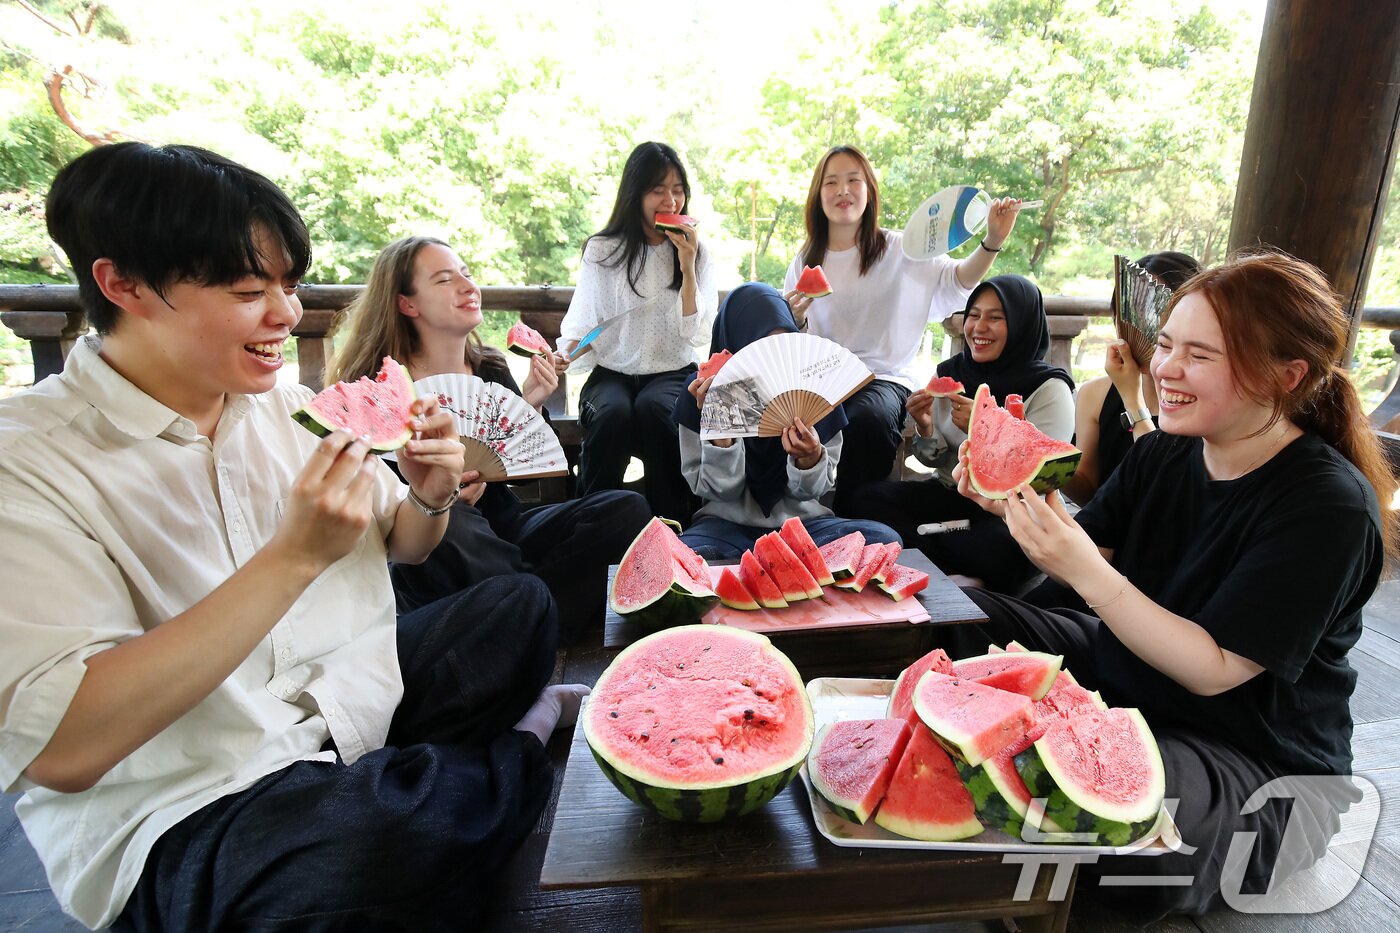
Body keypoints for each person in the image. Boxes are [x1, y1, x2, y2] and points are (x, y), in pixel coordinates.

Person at [0, 142, 585, 931]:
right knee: (373, 848)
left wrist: (430, 490)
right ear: (123, 284)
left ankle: (437, 789)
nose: (284, 314)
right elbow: (64, 747)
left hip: (351, 705)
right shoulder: (27, 462)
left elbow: (409, 544)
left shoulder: (286, 408)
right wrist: (294, 557)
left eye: (288, 285)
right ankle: (508, 755)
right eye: (249, 291)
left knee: (520, 607)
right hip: (197, 804)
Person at [946, 251, 1394, 919]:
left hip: (1258, 759)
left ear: (1286, 375)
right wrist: (1013, 498)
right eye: (1166, 345)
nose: (1166, 369)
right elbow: (1086, 547)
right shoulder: (1163, 450)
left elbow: (1213, 668)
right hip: (1130, 674)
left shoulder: (1328, 506)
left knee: (1127, 845)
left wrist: (1085, 570)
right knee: (950, 618)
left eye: (1200, 355)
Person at [330, 235, 652, 642]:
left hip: (507, 529)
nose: (468, 286)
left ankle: (519, 618)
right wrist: (434, 498)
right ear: (407, 304)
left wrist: (531, 403)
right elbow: (377, 502)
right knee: (455, 525)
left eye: (466, 274)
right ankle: (535, 614)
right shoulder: (380, 388)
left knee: (626, 508)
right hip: (439, 545)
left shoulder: (491, 369)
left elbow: (527, 467)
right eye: (445, 279)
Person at [782, 144, 1025, 514]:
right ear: (818, 195)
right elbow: (793, 333)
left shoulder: (902, 249)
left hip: (883, 378)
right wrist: (797, 319)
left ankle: (853, 521)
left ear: (870, 190)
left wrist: (992, 240)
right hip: (823, 379)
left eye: (853, 180)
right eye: (831, 182)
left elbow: (958, 280)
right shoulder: (804, 260)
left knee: (867, 421)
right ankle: (792, 518)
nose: (843, 190)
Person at [850, 275, 1074, 593]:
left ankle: (930, 557)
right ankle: (953, 568)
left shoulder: (1050, 388)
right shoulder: (950, 373)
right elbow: (935, 462)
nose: (979, 327)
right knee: (866, 500)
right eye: (974, 315)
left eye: (995, 318)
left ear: (1022, 324)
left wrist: (988, 428)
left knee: (998, 550)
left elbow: (1040, 477)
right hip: (949, 493)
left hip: (1010, 511)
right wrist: (925, 426)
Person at [673, 283, 900, 560]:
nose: (772, 359)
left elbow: (814, 492)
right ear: (735, 341)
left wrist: (810, 459)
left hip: (806, 527)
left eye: (782, 347)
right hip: (725, 527)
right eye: (760, 349)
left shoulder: (818, 387)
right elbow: (720, 492)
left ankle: (777, 562)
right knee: (682, 557)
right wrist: (721, 433)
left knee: (884, 539)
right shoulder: (699, 392)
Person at [558, 141, 717, 525]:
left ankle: (674, 528)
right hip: (612, 373)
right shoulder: (602, 251)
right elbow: (586, 321)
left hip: (673, 372)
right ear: (635, 193)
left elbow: (694, 333)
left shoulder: (698, 251)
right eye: (658, 189)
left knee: (656, 411)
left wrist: (688, 266)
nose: (671, 201)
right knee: (612, 415)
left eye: (678, 190)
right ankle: (593, 526)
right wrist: (565, 354)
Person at [1059, 251, 1201, 507]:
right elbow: (1089, 493)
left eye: (1156, 315)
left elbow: (1165, 490)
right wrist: (1047, 465)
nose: (1142, 328)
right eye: (1131, 313)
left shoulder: (1203, 399)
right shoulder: (1094, 395)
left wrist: (1132, 400)